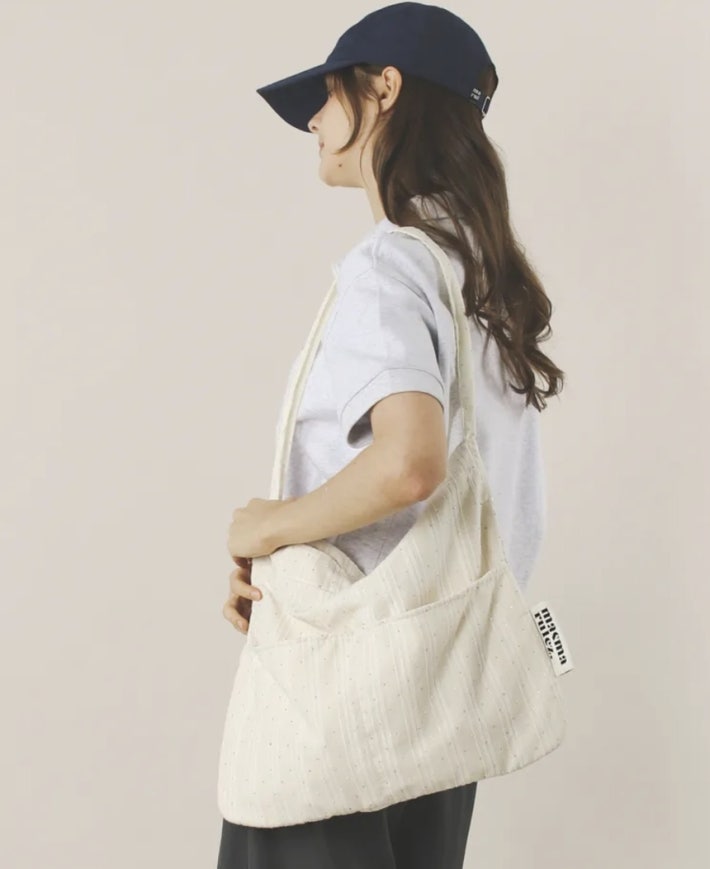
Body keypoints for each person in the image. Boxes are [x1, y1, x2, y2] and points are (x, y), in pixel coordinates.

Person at [218, 3, 565, 867]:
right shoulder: (487, 287)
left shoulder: (391, 264)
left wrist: (267, 528)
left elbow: (409, 463)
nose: (312, 119)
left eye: (326, 94)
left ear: (383, 88)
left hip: (341, 703)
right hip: (441, 704)